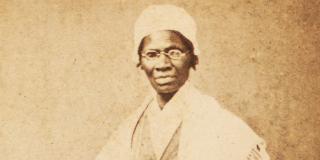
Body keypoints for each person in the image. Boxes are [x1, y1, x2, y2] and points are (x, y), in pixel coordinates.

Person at [96, 4, 270, 160]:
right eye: (152, 54)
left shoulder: (223, 126)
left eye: (174, 52)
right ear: (140, 62)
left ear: (193, 58)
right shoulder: (130, 131)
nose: (163, 64)